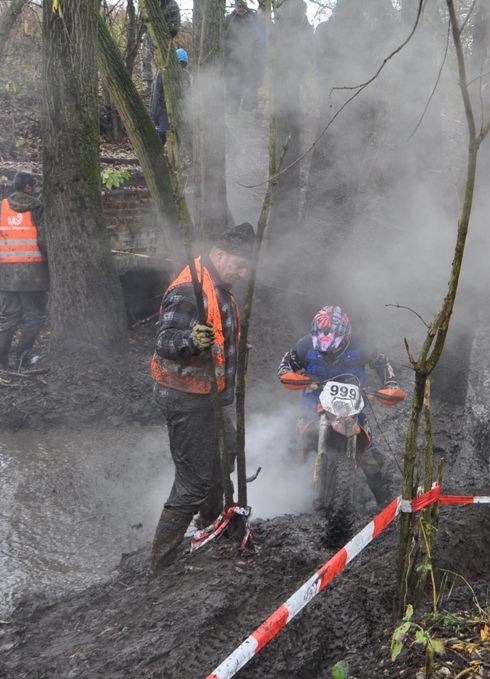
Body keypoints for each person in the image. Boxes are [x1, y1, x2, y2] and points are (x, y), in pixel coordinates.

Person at [148, 222, 255, 574]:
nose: (242, 273)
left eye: (246, 268)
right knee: (193, 481)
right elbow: (164, 342)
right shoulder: (190, 290)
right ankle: (160, 562)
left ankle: (210, 528)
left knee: (226, 455)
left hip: (209, 398)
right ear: (219, 254)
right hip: (185, 400)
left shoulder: (219, 286)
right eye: (239, 265)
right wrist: (191, 341)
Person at [278, 306, 399, 507]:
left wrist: (390, 384)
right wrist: (292, 376)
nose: (328, 355)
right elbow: (285, 366)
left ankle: (386, 505)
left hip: (351, 407)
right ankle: (281, 501)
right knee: (293, 451)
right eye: (323, 351)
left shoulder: (361, 344)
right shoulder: (304, 345)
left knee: (371, 458)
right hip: (314, 407)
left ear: (346, 337)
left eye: (332, 350)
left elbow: (381, 361)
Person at [0, 171, 48, 371]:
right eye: (35, 185)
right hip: (34, 275)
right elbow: (44, 242)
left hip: (7, 273)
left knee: (9, 317)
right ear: (28, 187)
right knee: (35, 317)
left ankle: (2, 362)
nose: (36, 189)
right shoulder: (38, 208)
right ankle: (22, 358)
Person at [224, 1, 259, 115]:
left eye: (243, 6)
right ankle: (229, 112)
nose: (241, 9)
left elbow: (254, 39)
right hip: (231, 59)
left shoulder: (249, 20)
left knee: (239, 86)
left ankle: (234, 113)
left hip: (244, 59)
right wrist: (229, 52)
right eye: (239, 6)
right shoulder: (228, 19)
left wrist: (250, 53)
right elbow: (223, 38)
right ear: (235, 6)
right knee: (230, 86)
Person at [150, 47, 190, 145]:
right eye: (178, 63)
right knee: (163, 133)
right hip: (165, 109)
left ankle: (174, 154)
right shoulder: (162, 72)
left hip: (180, 110)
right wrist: (155, 113)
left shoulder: (186, 75)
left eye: (182, 64)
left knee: (178, 136)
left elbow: (189, 94)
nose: (179, 66)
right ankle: (157, 152)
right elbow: (157, 94)